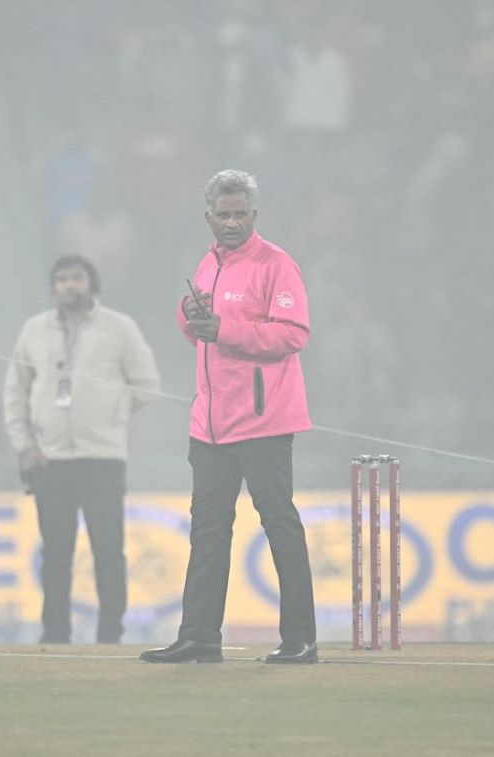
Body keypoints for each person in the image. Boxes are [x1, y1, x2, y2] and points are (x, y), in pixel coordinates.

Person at [141, 169, 318, 665]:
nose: (233, 223)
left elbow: (293, 334)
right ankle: (199, 636)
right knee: (208, 530)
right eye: (225, 215)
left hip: (264, 421)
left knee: (280, 524)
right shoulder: (206, 265)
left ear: (255, 215)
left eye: (241, 214)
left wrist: (226, 328)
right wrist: (188, 313)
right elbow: (201, 333)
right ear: (208, 218)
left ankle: (301, 640)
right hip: (212, 424)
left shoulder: (277, 264)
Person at [3, 255, 161, 644]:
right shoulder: (34, 330)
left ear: (92, 283)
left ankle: (111, 635)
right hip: (49, 458)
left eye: (77, 278)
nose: (70, 285)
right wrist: (25, 446)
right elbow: (14, 392)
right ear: (53, 286)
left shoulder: (120, 328)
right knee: (56, 553)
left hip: (102, 458)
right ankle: (54, 634)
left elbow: (147, 386)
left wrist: (111, 413)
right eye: (61, 279)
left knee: (109, 551)